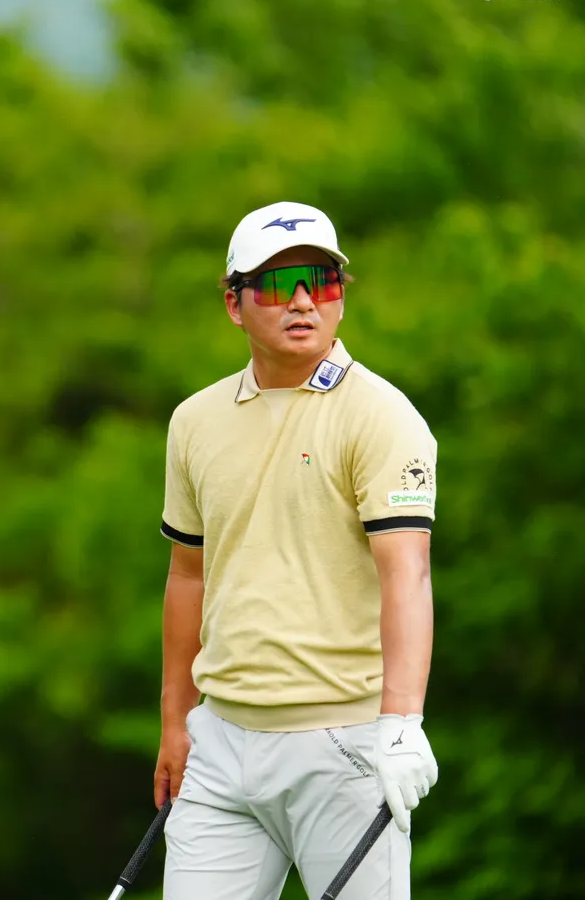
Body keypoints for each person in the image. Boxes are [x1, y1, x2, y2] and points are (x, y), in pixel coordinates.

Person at [154, 201, 439, 899]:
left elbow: (406, 573)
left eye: (323, 281)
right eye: (279, 285)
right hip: (221, 743)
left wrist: (402, 724)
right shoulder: (194, 421)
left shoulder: (381, 414)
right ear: (235, 303)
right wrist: (175, 720)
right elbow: (187, 575)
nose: (305, 301)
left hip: (344, 743)